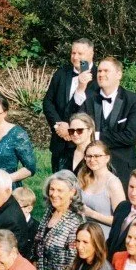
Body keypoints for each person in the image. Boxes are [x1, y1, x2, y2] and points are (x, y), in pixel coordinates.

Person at [43, 37, 98, 171]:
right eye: (73, 53)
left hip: (87, 143)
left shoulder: (100, 77)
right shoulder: (62, 73)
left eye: (80, 54)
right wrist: (58, 125)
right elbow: (48, 102)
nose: (75, 57)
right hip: (61, 141)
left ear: (91, 54)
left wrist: (73, 129)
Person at [35, 172, 85, 270]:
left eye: (59, 190)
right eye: (52, 189)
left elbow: (70, 265)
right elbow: (37, 244)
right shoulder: (49, 212)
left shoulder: (75, 221)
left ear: (72, 192)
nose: (54, 194)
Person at [91, 55, 136, 181]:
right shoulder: (88, 99)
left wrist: (96, 136)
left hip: (123, 167)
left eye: (106, 71)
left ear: (118, 75)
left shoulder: (133, 101)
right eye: (99, 71)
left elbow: (130, 137)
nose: (101, 74)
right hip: (93, 167)